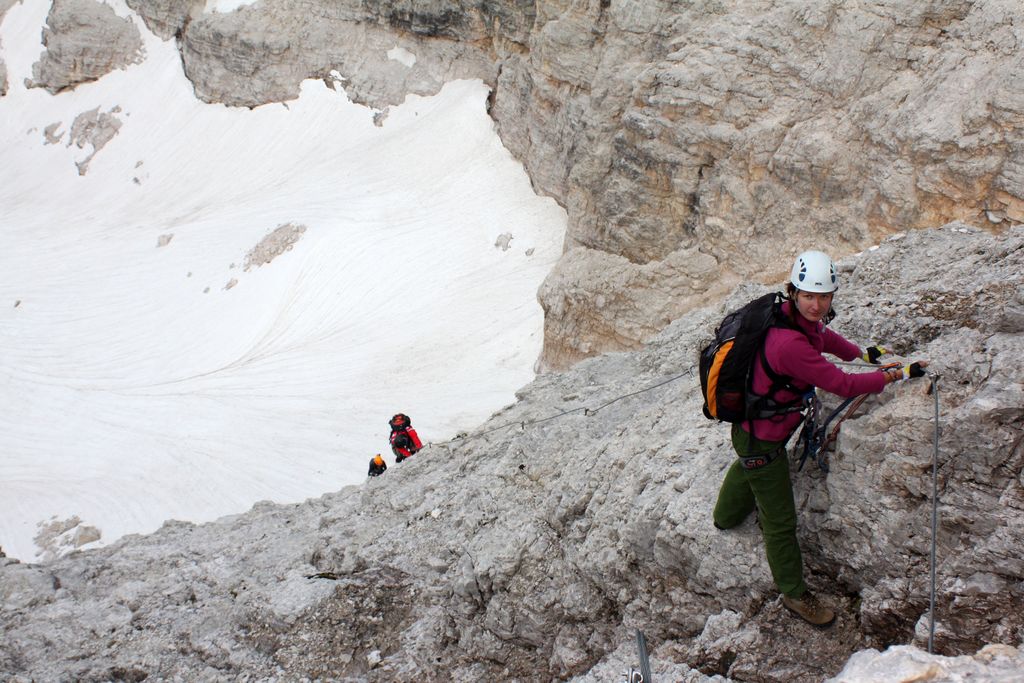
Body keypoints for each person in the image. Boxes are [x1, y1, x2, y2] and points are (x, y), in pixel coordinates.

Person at [712, 250, 928, 627]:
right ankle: (795, 595)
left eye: (823, 297)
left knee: (750, 465)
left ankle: (724, 518)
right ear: (793, 292)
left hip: (756, 436)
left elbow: (824, 337)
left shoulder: (792, 317)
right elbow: (841, 383)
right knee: (779, 521)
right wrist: (894, 375)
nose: (816, 304)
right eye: (809, 296)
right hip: (762, 440)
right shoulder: (788, 345)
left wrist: (863, 353)